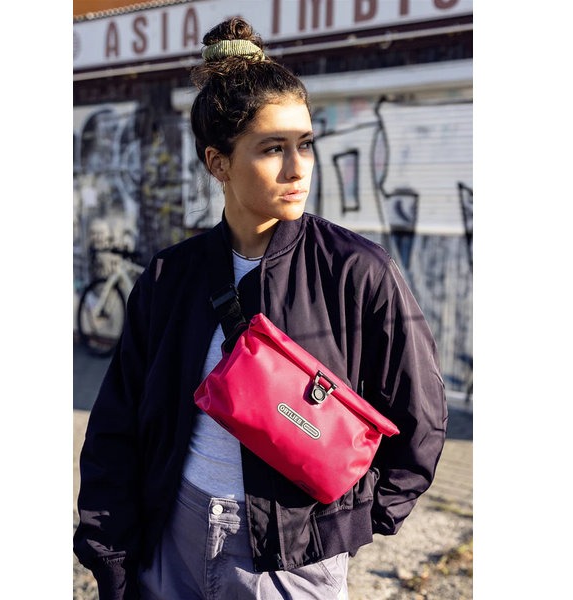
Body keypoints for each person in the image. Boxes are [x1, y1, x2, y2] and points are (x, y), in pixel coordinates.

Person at [74, 17, 447, 600]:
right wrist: (111, 553)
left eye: (305, 144)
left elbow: (419, 413)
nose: (298, 168)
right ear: (218, 162)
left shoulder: (356, 270)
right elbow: (117, 426)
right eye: (273, 148)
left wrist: (350, 519)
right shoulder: (170, 277)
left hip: (291, 563)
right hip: (172, 537)